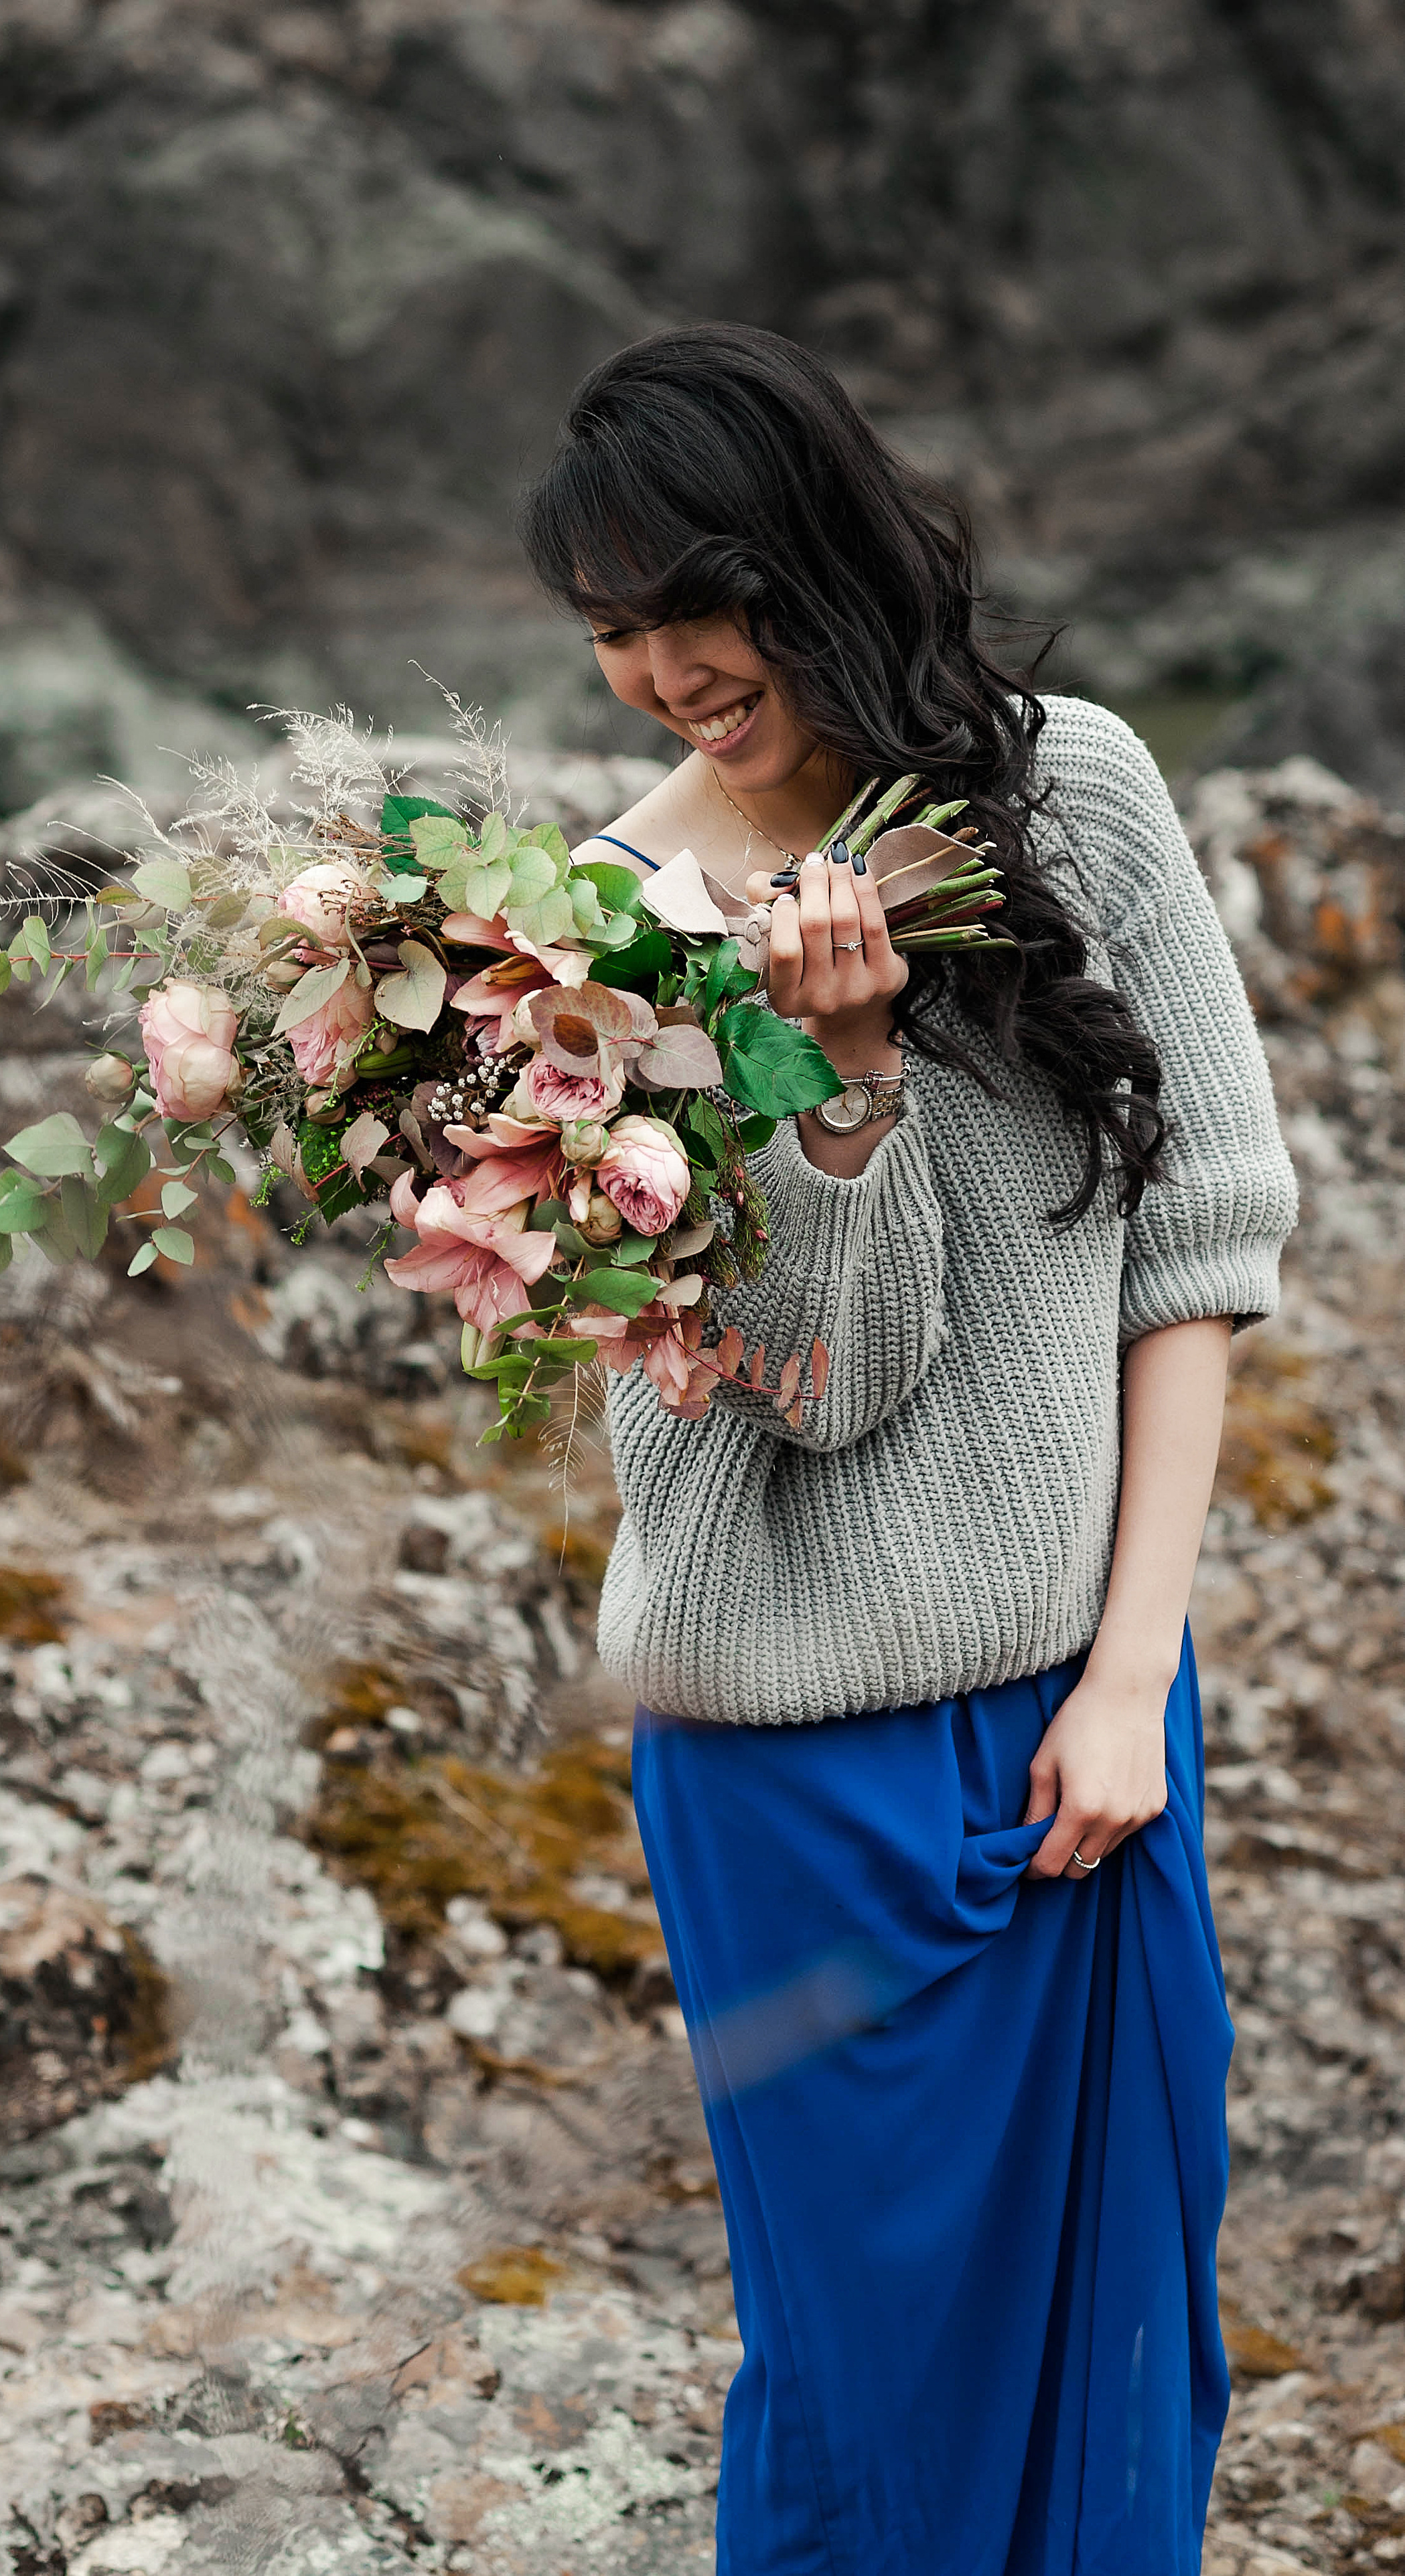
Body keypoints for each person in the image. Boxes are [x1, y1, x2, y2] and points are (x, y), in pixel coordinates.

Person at [518, 323, 1298, 2575]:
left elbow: (1204, 1242)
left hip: (1085, 1718)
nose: (667, 672)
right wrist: (833, 1078)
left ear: (815, 557)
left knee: (1125, 2330)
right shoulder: (616, 928)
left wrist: (1135, 1675)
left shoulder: (1079, 788)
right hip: (791, 1763)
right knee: (868, 2401)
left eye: (698, 604)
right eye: (612, 635)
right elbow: (819, 1390)